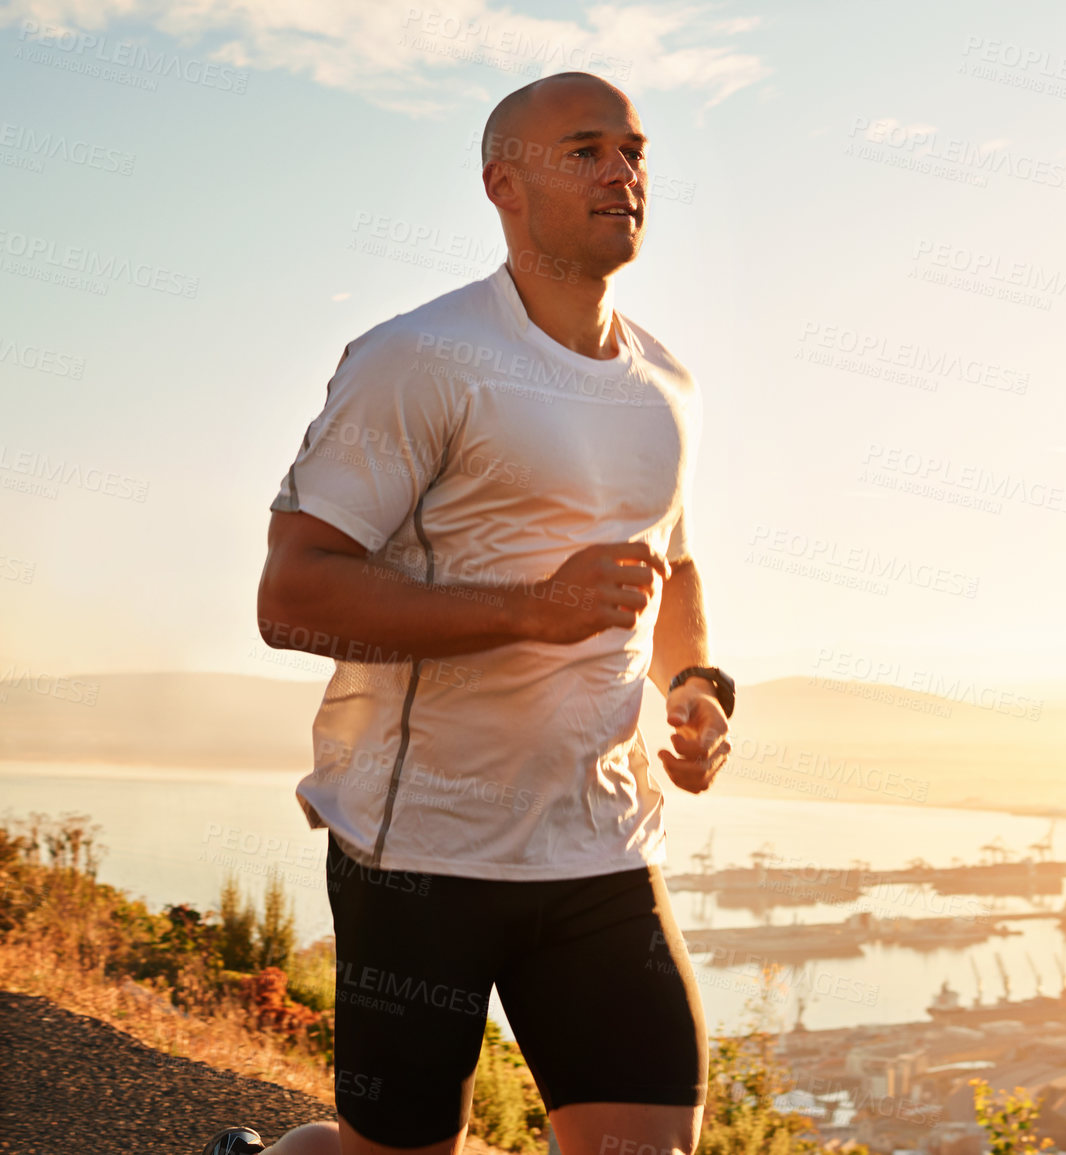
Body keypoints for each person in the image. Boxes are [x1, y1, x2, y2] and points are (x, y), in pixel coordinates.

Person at [214, 71, 734, 1155]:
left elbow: (671, 565)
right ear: (504, 182)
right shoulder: (418, 359)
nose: (623, 172)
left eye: (634, 151)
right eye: (585, 150)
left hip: (598, 848)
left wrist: (691, 687)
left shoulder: (666, 384)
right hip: (422, 850)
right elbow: (293, 591)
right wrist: (531, 612)